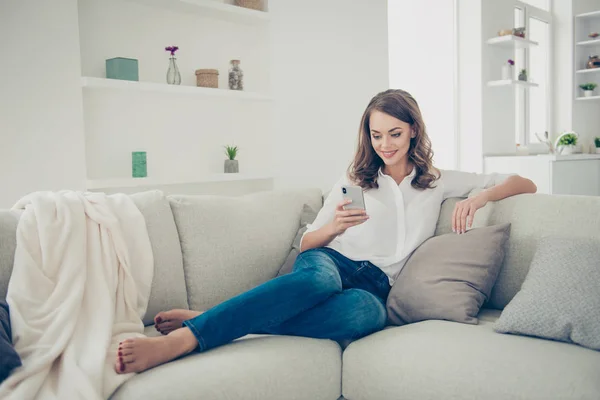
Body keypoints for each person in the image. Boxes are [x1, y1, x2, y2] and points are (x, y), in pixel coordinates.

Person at [114, 89, 537, 374]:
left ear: (413, 130)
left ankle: (214, 317)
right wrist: (333, 227)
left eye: (394, 133)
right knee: (314, 280)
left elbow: (525, 182)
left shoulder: (437, 181)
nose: (385, 144)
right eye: (376, 135)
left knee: (367, 316)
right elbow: (307, 244)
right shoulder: (355, 177)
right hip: (330, 261)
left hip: (375, 285)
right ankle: (188, 339)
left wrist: (480, 198)